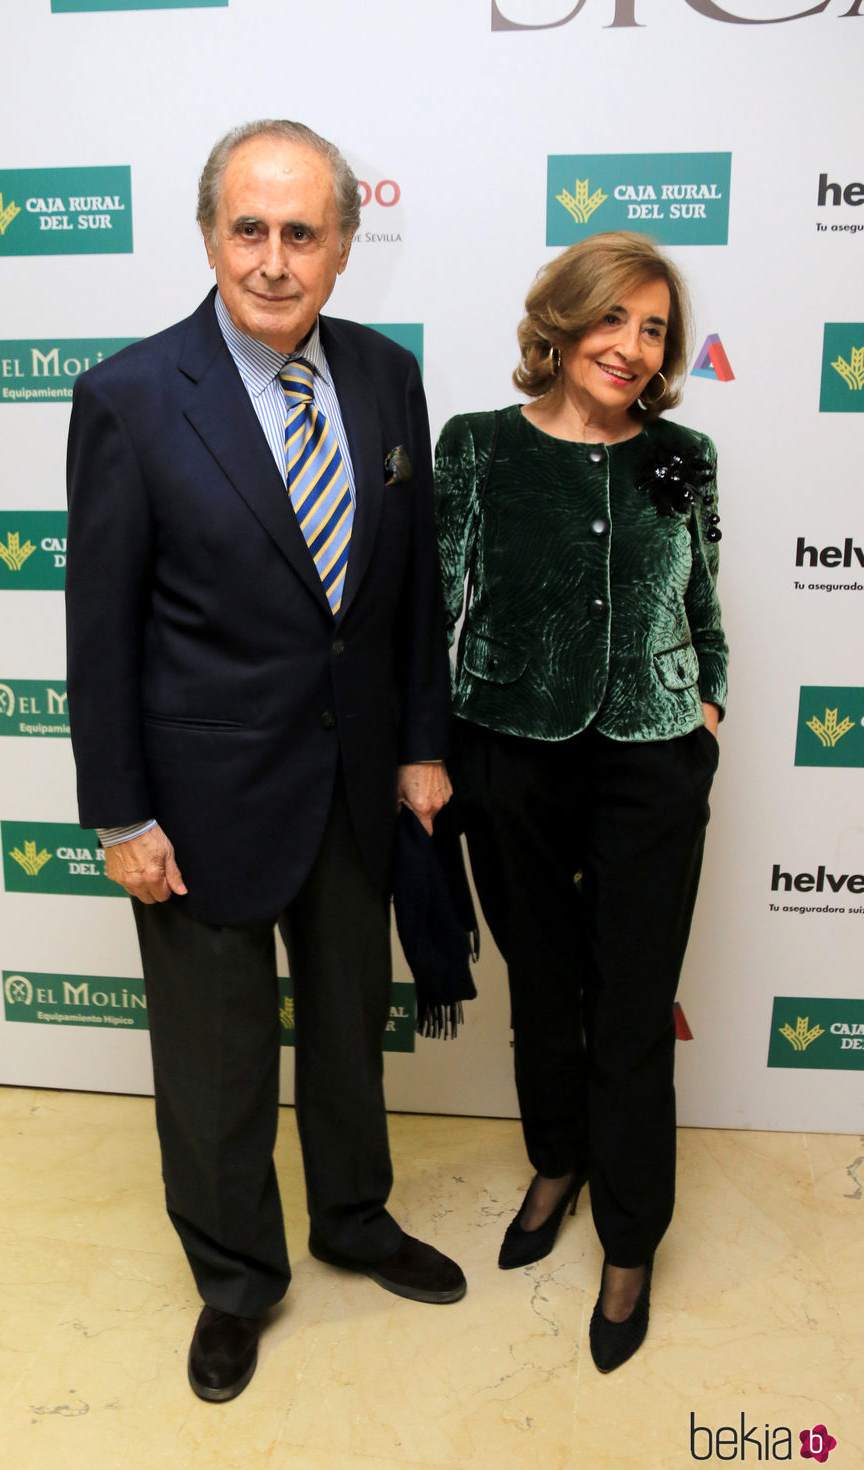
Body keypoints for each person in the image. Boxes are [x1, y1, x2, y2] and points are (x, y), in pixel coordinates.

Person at [65, 118, 465, 1405]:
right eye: (251, 228)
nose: (275, 260)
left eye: (303, 232)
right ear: (208, 236)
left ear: (346, 244)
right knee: (218, 1066)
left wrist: (418, 747)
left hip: (355, 791)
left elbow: (402, 599)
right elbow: (99, 626)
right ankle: (237, 1281)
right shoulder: (129, 396)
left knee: (349, 1032)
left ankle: (352, 1216)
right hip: (199, 803)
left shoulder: (386, 380)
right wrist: (120, 812)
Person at [434, 231, 727, 1373]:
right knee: (541, 990)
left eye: (651, 329)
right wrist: (432, 750)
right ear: (558, 324)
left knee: (629, 1009)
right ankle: (554, 1164)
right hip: (508, 756)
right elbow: (433, 607)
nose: (630, 346)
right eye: (612, 320)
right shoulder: (477, 449)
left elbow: (702, 599)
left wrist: (707, 710)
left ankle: (628, 1243)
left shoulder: (684, 455)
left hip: (652, 763)